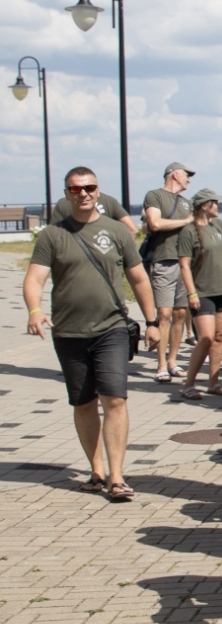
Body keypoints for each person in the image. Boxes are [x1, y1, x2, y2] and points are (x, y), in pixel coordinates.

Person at [24, 167, 160, 503]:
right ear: (67, 193)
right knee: (83, 402)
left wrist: (153, 320)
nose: (83, 193)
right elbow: (35, 279)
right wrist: (34, 310)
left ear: (98, 191)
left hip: (111, 328)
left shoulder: (116, 231)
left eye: (90, 187)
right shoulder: (53, 236)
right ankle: (96, 470)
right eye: (76, 189)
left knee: (115, 398)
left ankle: (117, 476)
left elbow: (139, 279)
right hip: (68, 332)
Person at [175, 188, 222, 400]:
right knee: (206, 338)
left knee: (219, 338)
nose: (218, 206)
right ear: (204, 206)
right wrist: (191, 294)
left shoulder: (218, 225)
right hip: (203, 291)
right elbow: (184, 265)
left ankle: (213, 383)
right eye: (215, 202)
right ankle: (189, 384)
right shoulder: (188, 231)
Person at [142, 162, 197, 383]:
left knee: (181, 313)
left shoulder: (187, 203)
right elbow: (154, 223)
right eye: (186, 175)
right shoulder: (154, 196)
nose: (189, 180)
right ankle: (161, 364)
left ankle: (173, 361)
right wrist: (185, 221)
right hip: (163, 260)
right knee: (164, 313)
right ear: (174, 174)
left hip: (185, 263)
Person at [52, 189, 137, 233]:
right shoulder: (109, 201)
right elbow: (133, 229)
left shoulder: (63, 203)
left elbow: (52, 235)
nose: (83, 193)